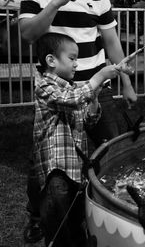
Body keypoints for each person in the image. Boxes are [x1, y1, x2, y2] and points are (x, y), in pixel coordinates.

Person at [18, 0, 137, 242]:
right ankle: (40, 216)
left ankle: (106, 217)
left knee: (114, 150)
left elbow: (111, 41)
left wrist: (125, 80)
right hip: (57, 95)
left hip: (97, 90)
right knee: (49, 162)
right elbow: (29, 33)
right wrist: (58, 1)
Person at [33, 32, 119, 247]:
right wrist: (98, 76)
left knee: (76, 223)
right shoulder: (44, 86)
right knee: (59, 229)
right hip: (57, 173)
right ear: (51, 60)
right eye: (72, 59)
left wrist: (95, 96)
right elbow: (69, 100)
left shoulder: (73, 90)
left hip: (74, 172)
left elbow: (88, 120)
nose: (76, 65)